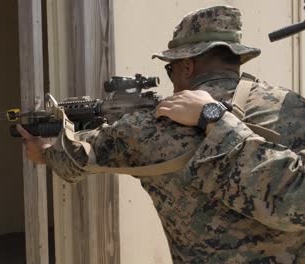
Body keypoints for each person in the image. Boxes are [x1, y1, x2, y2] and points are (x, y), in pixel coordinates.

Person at [17, 5, 305, 263]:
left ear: (187, 66)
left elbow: (75, 159)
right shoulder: (291, 106)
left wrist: (43, 150)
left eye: (171, 70)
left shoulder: (150, 126)